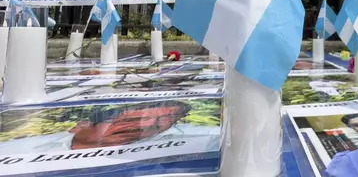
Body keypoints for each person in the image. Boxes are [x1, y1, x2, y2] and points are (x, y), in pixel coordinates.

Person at [0, 100, 220, 153]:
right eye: (130, 121)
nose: (144, 128)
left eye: (159, 124)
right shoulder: (19, 150)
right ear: (80, 126)